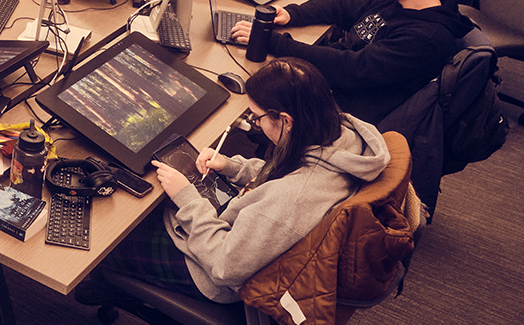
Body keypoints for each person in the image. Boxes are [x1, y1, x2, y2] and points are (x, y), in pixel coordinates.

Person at [84, 58, 390, 304]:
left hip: (213, 272)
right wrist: (232, 166)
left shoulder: (291, 198)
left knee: (109, 238)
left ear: (285, 120)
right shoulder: (340, 137)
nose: (254, 124)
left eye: (256, 117)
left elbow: (224, 266)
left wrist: (188, 199)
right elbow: (282, 174)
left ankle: (110, 286)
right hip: (246, 234)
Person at [231, 0, 474, 123]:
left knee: (244, 91)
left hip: (346, 108)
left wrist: (272, 41)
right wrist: (293, 15)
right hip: (336, 79)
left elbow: (349, 69)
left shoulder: (425, 38)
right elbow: (340, 5)